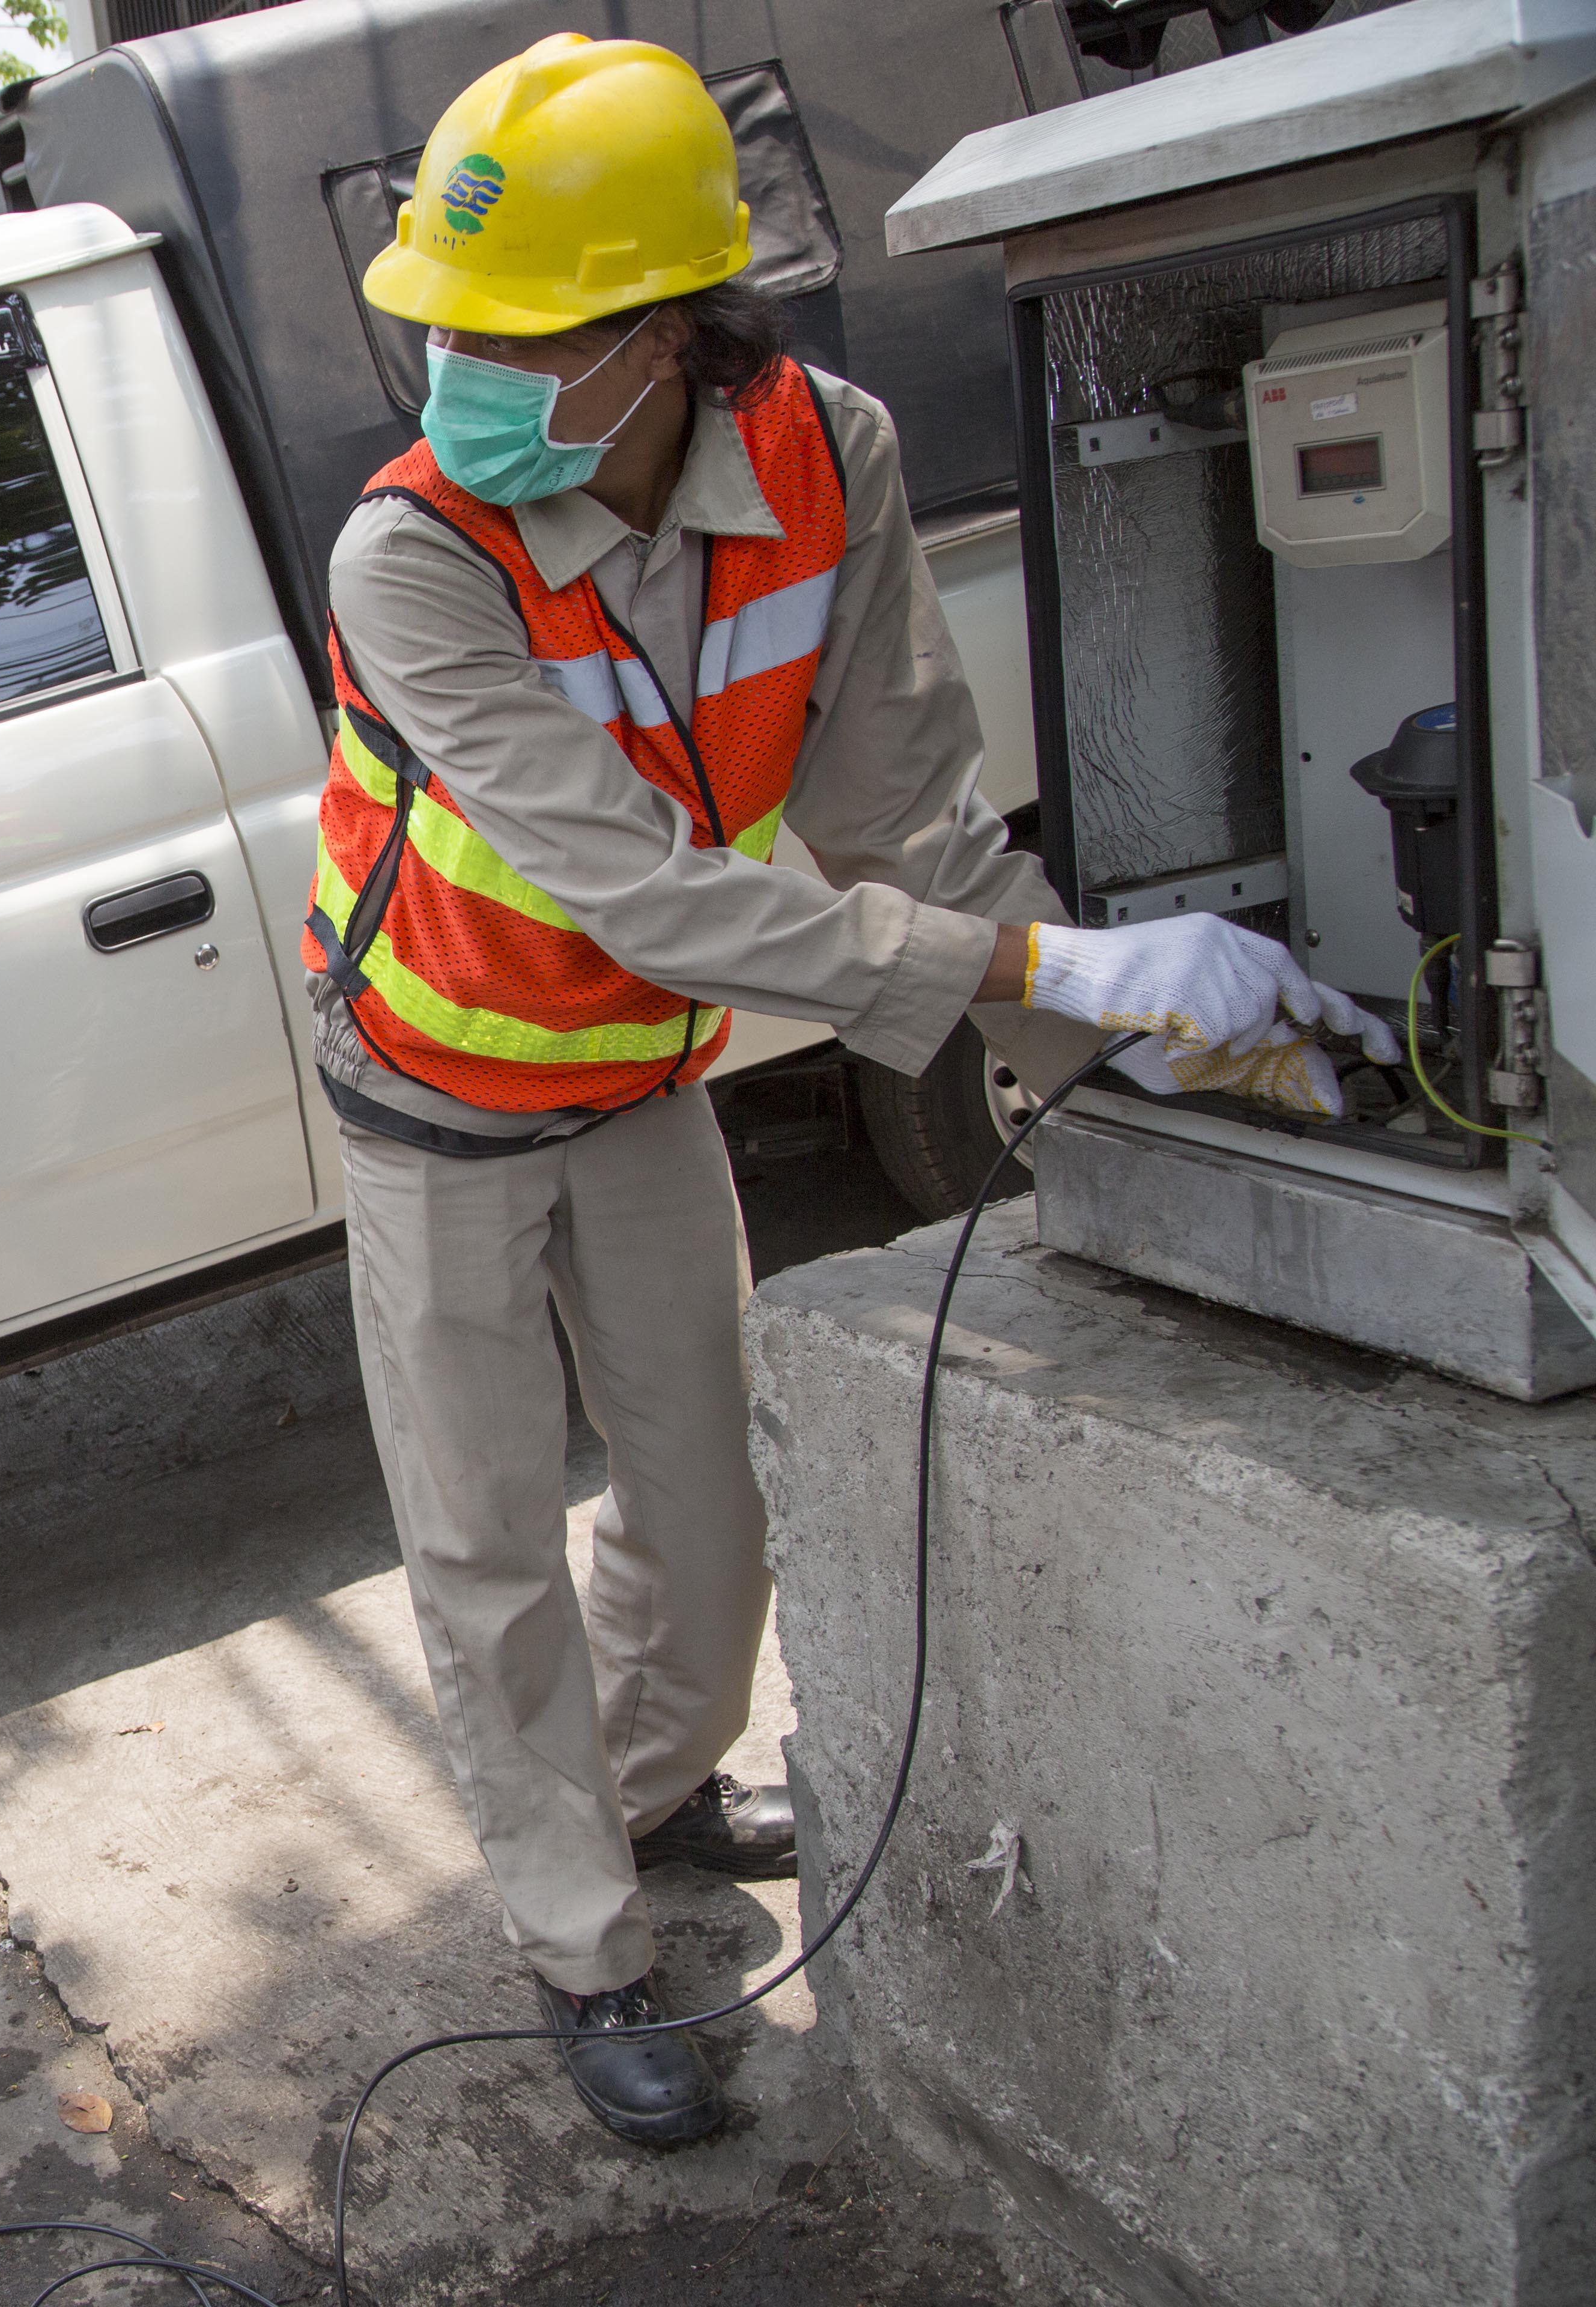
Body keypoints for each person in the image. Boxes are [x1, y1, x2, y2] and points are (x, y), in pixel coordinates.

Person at [314, 35, 1398, 2147]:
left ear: (671, 339)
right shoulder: (414, 557)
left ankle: (658, 1790)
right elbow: (638, 894)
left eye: (520, 332)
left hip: (632, 1085)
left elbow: (905, 804)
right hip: (430, 1085)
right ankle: (580, 1943)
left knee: (706, 1507)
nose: (462, 370)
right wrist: (1047, 968)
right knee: (484, 1552)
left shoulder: (834, 458)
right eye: (445, 326)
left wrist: (1160, 1054)